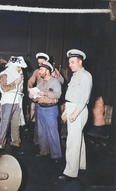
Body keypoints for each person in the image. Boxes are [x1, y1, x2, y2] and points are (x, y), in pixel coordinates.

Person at [58, 49, 93, 180]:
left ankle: (70, 173)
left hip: (79, 109)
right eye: (69, 63)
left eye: (73, 62)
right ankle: (81, 165)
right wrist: (67, 111)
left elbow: (83, 98)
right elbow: (70, 96)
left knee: (73, 141)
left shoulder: (85, 76)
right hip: (72, 107)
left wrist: (74, 113)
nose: (70, 65)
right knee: (79, 138)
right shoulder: (75, 75)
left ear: (80, 60)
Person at [28, 52, 64, 145]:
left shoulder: (54, 72)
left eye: (42, 63)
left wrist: (56, 76)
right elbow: (30, 81)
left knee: (51, 130)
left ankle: (54, 152)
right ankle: (40, 146)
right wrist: (31, 91)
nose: (40, 65)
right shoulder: (37, 72)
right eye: (39, 63)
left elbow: (60, 86)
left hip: (51, 104)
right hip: (39, 102)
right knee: (39, 128)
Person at [0, 56, 27, 154]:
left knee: (15, 124)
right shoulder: (4, 74)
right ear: (13, 66)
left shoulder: (20, 75)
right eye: (18, 67)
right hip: (7, 101)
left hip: (17, 101)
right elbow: (4, 89)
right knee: (4, 124)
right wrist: (15, 83)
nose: (20, 69)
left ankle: (15, 144)